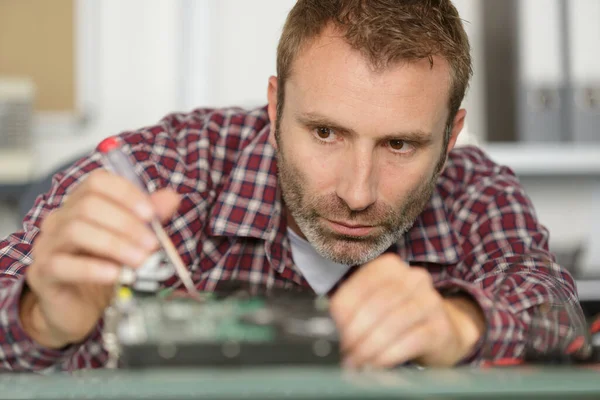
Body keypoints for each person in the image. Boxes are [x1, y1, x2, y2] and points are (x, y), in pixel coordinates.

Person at [0, 0, 580, 372]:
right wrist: (39, 317)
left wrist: (462, 324)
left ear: (451, 135)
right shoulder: (162, 170)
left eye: (400, 145)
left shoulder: (475, 190)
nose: (357, 193)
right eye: (325, 132)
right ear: (275, 107)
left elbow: (561, 320)